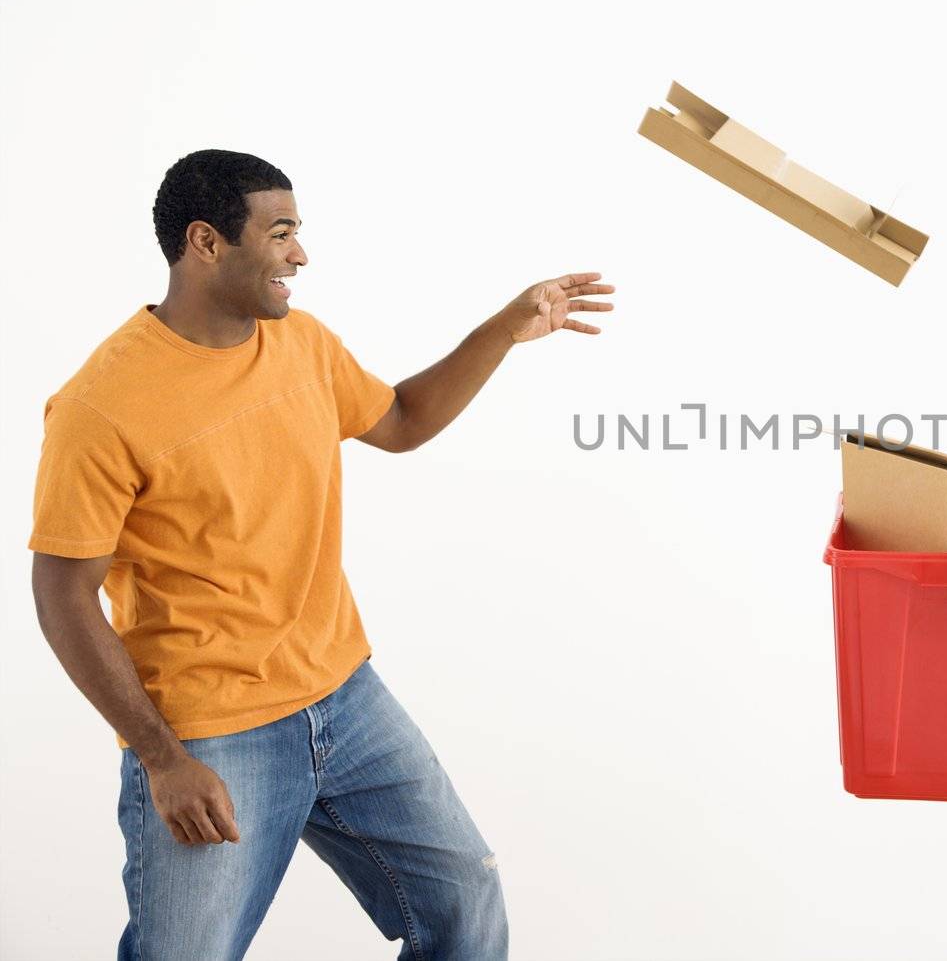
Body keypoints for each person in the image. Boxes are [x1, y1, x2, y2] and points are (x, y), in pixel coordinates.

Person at [28, 149, 614, 960]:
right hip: (212, 732)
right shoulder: (101, 406)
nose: (300, 254)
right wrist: (163, 759)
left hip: (344, 695)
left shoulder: (301, 344)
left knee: (465, 908)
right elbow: (61, 593)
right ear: (206, 242)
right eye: (281, 233)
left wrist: (506, 329)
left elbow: (402, 419)